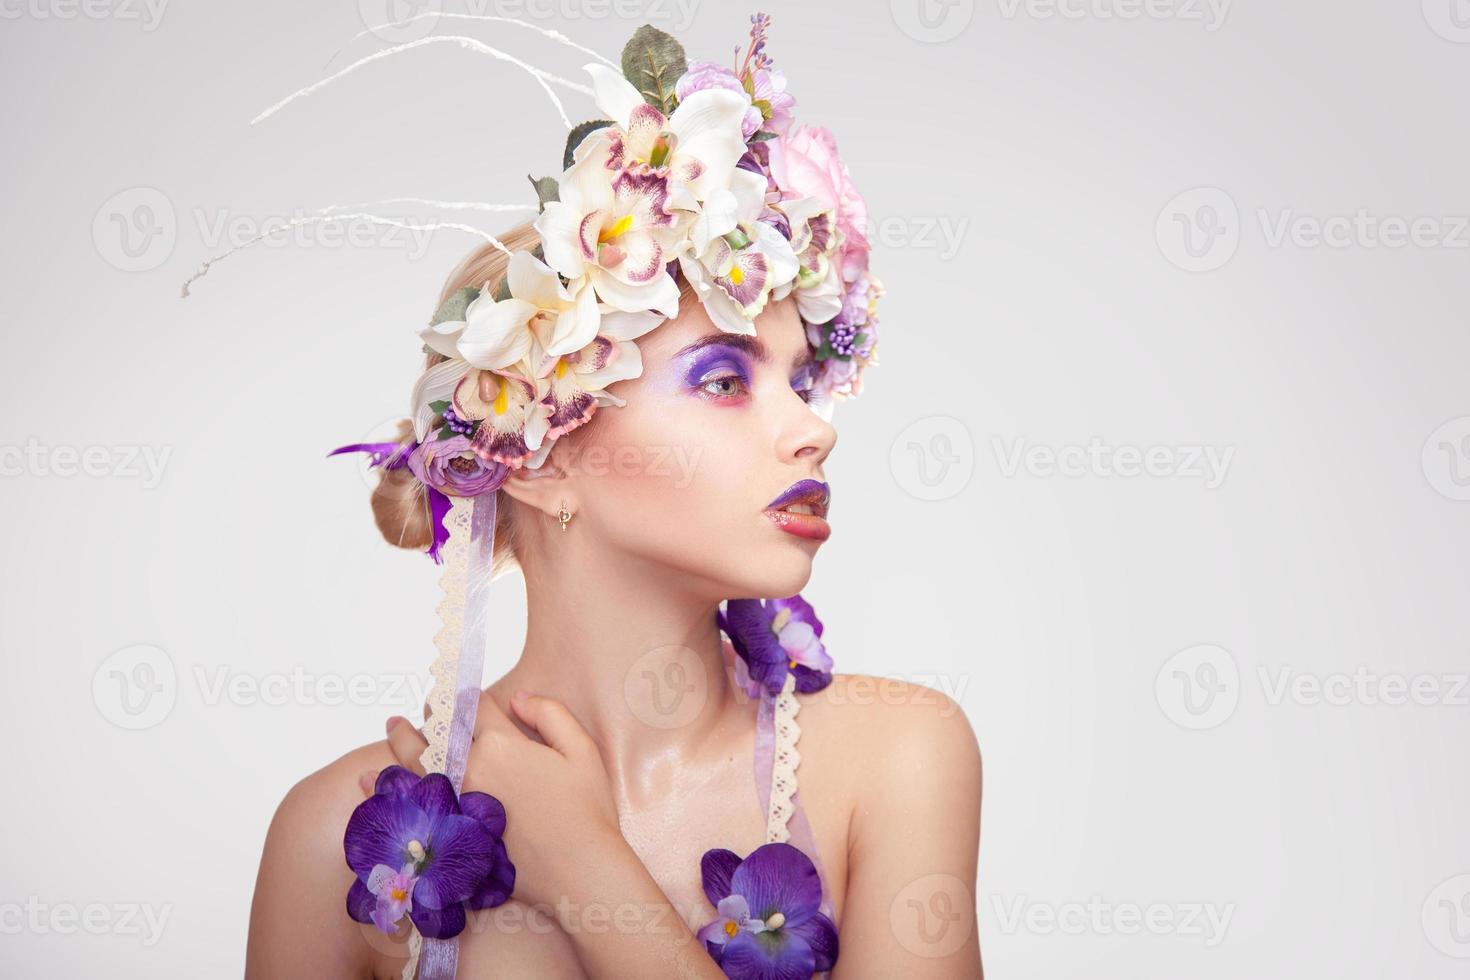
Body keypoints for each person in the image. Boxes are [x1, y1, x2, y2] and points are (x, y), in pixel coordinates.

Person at [240, 15, 983, 979]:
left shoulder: (898, 759)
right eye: (723, 380)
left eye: (801, 383)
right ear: (540, 458)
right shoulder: (331, 836)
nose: (815, 428)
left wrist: (580, 861)